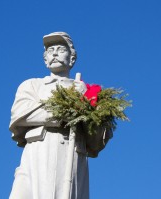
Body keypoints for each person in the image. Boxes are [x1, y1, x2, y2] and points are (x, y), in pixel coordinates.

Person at [9, 32, 111, 199]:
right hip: (38, 151)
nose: (54, 53)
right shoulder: (32, 86)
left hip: (71, 152)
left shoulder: (86, 91)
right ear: (45, 59)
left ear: (72, 58)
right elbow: (22, 115)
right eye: (50, 50)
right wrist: (64, 112)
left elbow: (97, 138)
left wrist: (86, 102)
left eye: (60, 49)